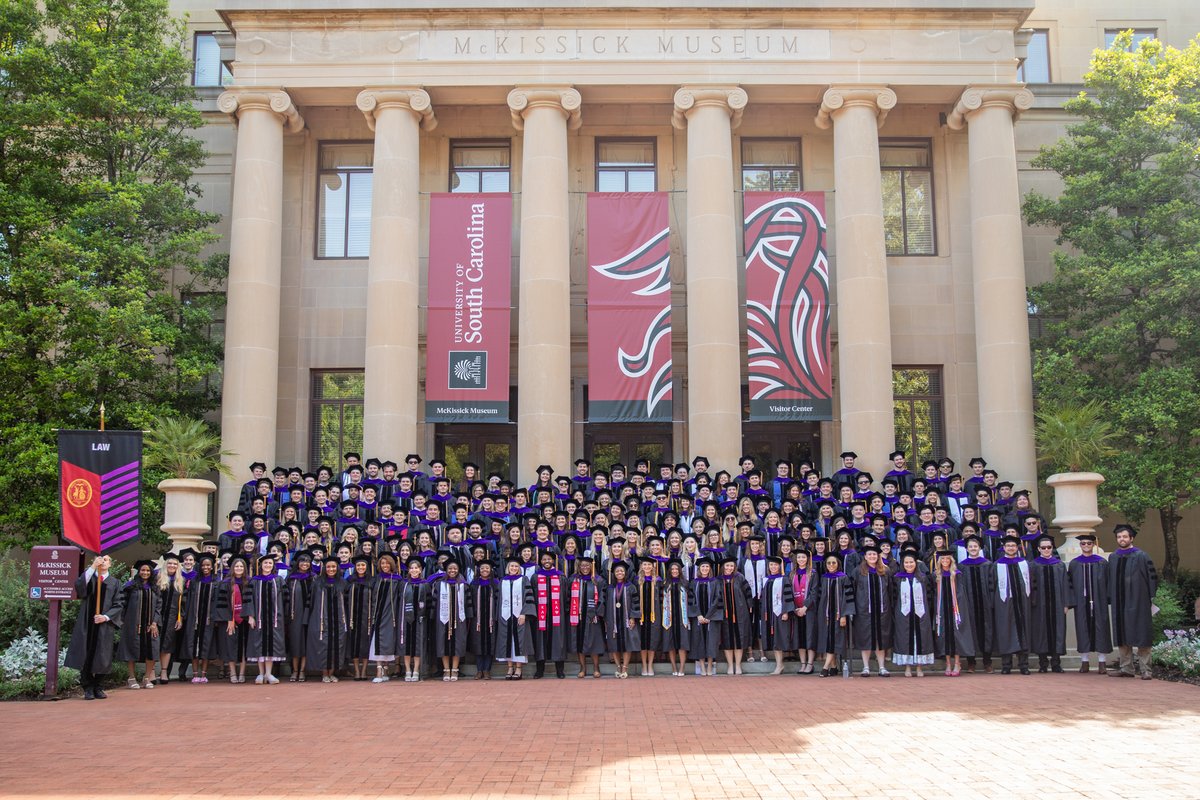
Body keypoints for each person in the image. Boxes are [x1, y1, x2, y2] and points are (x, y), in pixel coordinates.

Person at [67, 555, 123, 700]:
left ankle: (98, 686)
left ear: (110, 564)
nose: (102, 562)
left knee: (103, 656)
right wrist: (92, 567)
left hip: (104, 625)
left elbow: (119, 604)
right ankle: (87, 687)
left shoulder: (115, 583)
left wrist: (105, 617)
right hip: (87, 622)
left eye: (106, 560)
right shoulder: (89, 578)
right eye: (100, 559)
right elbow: (79, 587)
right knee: (85, 653)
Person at [1106, 524, 1158, 679]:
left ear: (1131, 538)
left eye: (1125, 536)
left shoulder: (1141, 556)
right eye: (1119, 537)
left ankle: (1146, 670)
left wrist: (1150, 597)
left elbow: (1152, 577)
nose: (1122, 539)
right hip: (1119, 601)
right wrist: (1110, 597)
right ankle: (1126, 668)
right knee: (1122, 633)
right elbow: (1109, 579)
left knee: (1142, 632)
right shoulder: (1113, 557)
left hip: (1139, 600)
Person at [1067, 533, 1111, 674]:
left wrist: (1107, 599)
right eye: (1083, 543)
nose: (1086, 545)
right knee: (1082, 629)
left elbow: (1108, 582)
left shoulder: (1102, 562)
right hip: (1081, 603)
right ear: (1080, 545)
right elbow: (1070, 585)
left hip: (1099, 601)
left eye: (1089, 543)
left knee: (1101, 630)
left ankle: (1102, 663)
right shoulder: (1074, 564)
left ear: (1094, 544)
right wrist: (1071, 602)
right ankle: (1084, 662)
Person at [118, 559, 161, 690]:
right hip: (133, 624)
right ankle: (131, 678)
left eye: (148, 570)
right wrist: (122, 621)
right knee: (131, 650)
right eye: (143, 570)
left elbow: (159, 607)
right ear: (139, 571)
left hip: (150, 625)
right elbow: (122, 605)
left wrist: (155, 623)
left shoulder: (155, 588)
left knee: (152, 650)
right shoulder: (130, 586)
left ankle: (147, 678)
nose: (145, 572)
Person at [808, 553, 853, 677]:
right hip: (825, 615)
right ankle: (834, 667)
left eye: (834, 563)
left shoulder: (844, 578)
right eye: (829, 563)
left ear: (838, 564)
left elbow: (848, 597)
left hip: (838, 615)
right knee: (828, 639)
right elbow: (819, 597)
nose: (831, 565)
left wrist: (844, 615)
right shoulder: (824, 578)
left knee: (834, 640)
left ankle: (825, 667)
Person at [932, 550, 976, 677]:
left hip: (955, 609)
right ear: (939, 561)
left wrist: (958, 607)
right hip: (942, 609)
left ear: (951, 560)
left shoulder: (957, 574)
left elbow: (961, 593)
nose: (945, 561)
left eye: (947, 559)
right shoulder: (936, 575)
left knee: (956, 635)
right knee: (945, 635)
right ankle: (948, 664)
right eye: (943, 559)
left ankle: (957, 663)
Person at [993, 534, 1032, 675]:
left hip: (1022, 603)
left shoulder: (1024, 563)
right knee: (1005, 631)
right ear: (1004, 548)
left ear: (1017, 548)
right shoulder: (997, 565)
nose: (1011, 548)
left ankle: (1024, 665)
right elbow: (992, 586)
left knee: (1023, 632)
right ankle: (1006, 665)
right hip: (1004, 604)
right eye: (1008, 546)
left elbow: (1031, 583)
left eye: (1013, 546)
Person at [1029, 535, 1068, 673]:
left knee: (1058, 632)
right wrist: (1032, 602)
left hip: (1057, 605)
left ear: (1052, 548)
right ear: (1039, 549)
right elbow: (1031, 587)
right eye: (1043, 547)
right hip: (1040, 605)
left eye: (1049, 547)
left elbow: (1065, 585)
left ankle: (1056, 663)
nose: (1046, 549)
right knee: (1041, 632)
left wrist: (1066, 604)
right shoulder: (1033, 565)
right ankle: (1043, 664)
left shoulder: (1059, 565)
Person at [892, 552, 934, 677]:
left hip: (921, 614)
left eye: (911, 562)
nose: (909, 564)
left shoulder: (923, 578)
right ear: (903, 564)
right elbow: (893, 596)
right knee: (905, 638)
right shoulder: (897, 578)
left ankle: (919, 667)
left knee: (920, 638)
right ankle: (908, 667)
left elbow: (929, 596)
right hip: (903, 614)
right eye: (906, 562)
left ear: (916, 563)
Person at [852, 545, 891, 677]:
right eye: (869, 554)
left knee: (881, 639)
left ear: (878, 556)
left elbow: (891, 591)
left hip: (882, 611)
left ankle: (882, 667)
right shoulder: (858, 571)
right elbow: (853, 590)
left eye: (874, 554)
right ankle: (866, 667)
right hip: (864, 612)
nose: (872, 556)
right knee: (866, 638)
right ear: (865, 556)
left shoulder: (885, 571)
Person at [214, 555, 254, 684]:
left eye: (241, 566)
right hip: (230, 621)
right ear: (232, 568)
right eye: (236, 566)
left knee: (244, 646)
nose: (239, 568)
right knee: (230, 646)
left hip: (245, 620)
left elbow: (252, 601)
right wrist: (229, 619)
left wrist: (250, 616)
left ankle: (242, 673)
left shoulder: (250, 582)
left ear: (245, 568)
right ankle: (232, 673)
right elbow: (222, 603)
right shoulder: (225, 583)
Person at [958, 536, 994, 674]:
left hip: (985, 604)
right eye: (970, 547)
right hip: (969, 605)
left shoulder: (988, 564)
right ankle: (971, 662)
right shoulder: (962, 566)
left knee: (987, 631)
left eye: (975, 546)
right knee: (970, 631)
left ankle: (987, 662)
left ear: (979, 548)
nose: (973, 549)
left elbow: (992, 584)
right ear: (967, 549)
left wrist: (991, 602)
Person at [308, 556, 348, 683]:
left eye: (333, 567)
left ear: (337, 568)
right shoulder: (317, 582)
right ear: (325, 568)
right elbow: (311, 601)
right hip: (322, 619)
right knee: (323, 645)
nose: (331, 569)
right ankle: (324, 673)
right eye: (329, 567)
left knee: (337, 646)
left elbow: (346, 602)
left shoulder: (342, 583)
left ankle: (332, 673)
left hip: (338, 620)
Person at [248, 554, 286, 685]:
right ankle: (260, 673)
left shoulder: (279, 580)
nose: (268, 565)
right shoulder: (254, 581)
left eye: (270, 563)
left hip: (274, 619)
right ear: (261, 565)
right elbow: (249, 599)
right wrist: (250, 616)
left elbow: (285, 599)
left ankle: (268, 674)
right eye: (265, 563)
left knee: (271, 645)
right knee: (259, 644)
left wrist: (282, 616)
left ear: (273, 565)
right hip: (258, 618)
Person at [566, 557, 606, 679]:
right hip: (577, 616)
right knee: (579, 642)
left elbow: (602, 597)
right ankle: (582, 668)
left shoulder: (598, 580)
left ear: (592, 566)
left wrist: (597, 613)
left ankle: (596, 668)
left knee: (594, 642)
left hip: (593, 617)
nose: (585, 568)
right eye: (582, 566)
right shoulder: (573, 579)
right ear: (579, 567)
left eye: (587, 565)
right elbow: (568, 596)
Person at [531, 549, 568, 679]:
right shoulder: (535, 577)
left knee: (558, 640)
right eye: (544, 559)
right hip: (541, 614)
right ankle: (539, 670)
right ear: (540, 561)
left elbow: (566, 595)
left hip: (557, 614)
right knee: (540, 640)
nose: (547, 561)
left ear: (553, 561)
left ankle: (560, 670)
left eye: (549, 559)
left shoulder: (560, 576)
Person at [433, 558, 471, 682]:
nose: (452, 570)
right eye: (450, 568)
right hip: (442, 620)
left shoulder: (464, 585)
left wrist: (469, 617)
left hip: (459, 620)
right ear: (446, 570)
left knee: (458, 644)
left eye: (455, 568)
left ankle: (454, 669)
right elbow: (434, 603)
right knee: (443, 644)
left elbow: (468, 604)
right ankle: (446, 670)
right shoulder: (439, 585)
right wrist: (432, 616)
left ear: (458, 570)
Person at [497, 556, 535, 680]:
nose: (513, 568)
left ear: (519, 568)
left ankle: (518, 668)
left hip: (519, 616)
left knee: (519, 642)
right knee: (506, 641)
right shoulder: (502, 581)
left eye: (516, 566)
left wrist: (524, 614)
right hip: (505, 616)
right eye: (511, 566)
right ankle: (510, 667)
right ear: (508, 568)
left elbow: (528, 597)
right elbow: (499, 600)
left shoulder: (524, 580)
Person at [399, 557, 434, 682]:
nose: (414, 570)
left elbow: (429, 603)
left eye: (416, 568)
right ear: (409, 570)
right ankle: (408, 670)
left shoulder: (425, 584)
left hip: (420, 620)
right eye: (411, 568)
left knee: (418, 645)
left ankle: (416, 670)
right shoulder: (404, 584)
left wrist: (425, 616)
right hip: (406, 619)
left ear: (420, 570)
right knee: (407, 645)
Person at [604, 560, 640, 679]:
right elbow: (605, 604)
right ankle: (618, 667)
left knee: (627, 643)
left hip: (626, 619)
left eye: (622, 571)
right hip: (613, 619)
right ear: (614, 573)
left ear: (625, 573)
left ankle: (625, 668)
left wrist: (633, 617)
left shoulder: (631, 587)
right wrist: (606, 619)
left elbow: (635, 603)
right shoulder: (609, 588)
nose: (620, 573)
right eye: (617, 571)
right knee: (614, 644)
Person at [717, 555, 753, 675]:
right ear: (723, 567)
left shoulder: (740, 577)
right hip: (724, 614)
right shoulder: (718, 580)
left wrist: (750, 605)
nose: (729, 568)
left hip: (740, 612)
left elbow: (748, 592)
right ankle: (730, 665)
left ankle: (738, 665)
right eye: (727, 565)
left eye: (731, 566)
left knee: (739, 638)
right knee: (727, 639)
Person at [154, 552, 186, 685]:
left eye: (175, 564)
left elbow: (183, 603)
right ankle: (151, 672)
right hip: (157, 616)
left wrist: (180, 618)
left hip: (172, 617)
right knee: (154, 643)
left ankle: (164, 672)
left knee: (167, 644)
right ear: (165, 565)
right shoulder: (157, 578)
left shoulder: (181, 581)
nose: (172, 565)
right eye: (170, 563)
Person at [369, 552, 402, 682]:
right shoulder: (377, 579)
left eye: (387, 563)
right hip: (377, 615)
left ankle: (386, 669)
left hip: (391, 616)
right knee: (377, 640)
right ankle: (379, 671)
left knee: (388, 641)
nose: (385, 566)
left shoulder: (397, 580)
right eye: (382, 563)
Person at [761, 556, 796, 675]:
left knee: (779, 638)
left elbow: (788, 596)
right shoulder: (766, 579)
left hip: (779, 612)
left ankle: (780, 665)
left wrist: (786, 611)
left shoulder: (784, 579)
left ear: (780, 566)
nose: (773, 567)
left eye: (775, 565)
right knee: (773, 638)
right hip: (768, 614)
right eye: (771, 565)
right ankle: (779, 664)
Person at [284, 550, 315, 682]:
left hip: (310, 615)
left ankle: (302, 671)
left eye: (307, 562)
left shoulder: (314, 578)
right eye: (302, 561)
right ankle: (294, 670)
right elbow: (285, 597)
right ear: (297, 563)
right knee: (295, 642)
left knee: (306, 643)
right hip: (294, 615)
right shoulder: (291, 578)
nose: (305, 564)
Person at [690, 557, 723, 676]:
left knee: (711, 641)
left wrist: (709, 616)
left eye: (707, 566)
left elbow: (718, 599)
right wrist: (698, 615)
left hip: (711, 618)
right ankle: (702, 667)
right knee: (699, 640)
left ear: (710, 568)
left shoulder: (715, 582)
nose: (705, 568)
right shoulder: (694, 582)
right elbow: (691, 599)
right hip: (698, 618)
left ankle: (709, 666)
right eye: (702, 566)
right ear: (699, 569)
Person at [345, 555, 375, 681]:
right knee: (354, 644)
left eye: (363, 565)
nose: (360, 567)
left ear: (367, 567)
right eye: (358, 565)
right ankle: (357, 671)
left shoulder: (372, 581)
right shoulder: (350, 581)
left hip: (367, 618)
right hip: (352, 617)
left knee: (365, 644)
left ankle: (364, 670)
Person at [660, 559, 692, 677]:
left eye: (676, 569)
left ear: (680, 571)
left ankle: (682, 667)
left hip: (682, 617)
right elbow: (660, 601)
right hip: (668, 618)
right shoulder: (665, 584)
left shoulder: (686, 583)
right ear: (669, 571)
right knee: (670, 643)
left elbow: (691, 600)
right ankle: (674, 666)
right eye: (672, 569)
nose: (674, 571)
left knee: (683, 642)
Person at [635, 558, 663, 677]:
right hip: (641, 615)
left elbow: (662, 598)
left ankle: (650, 664)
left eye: (649, 564)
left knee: (652, 639)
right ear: (641, 566)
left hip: (654, 614)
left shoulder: (658, 580)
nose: (647, 566)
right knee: (642, 640)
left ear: (653, 566)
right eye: (644, 564)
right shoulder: (637, 580)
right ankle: (644, 665)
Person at [789, 550, 816, 674]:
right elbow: (789, 592)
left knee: (810, 636)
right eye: (799, 557)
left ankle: (810, 664)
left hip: (809, 610)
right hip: (796, 610)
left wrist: (805, 607)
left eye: (803, 557)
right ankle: (803, 664)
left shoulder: (813, 573)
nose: (801, 559)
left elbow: (814, 592)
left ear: (807, 559)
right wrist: (795, 608)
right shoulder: (792, 574)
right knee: (800, 637)